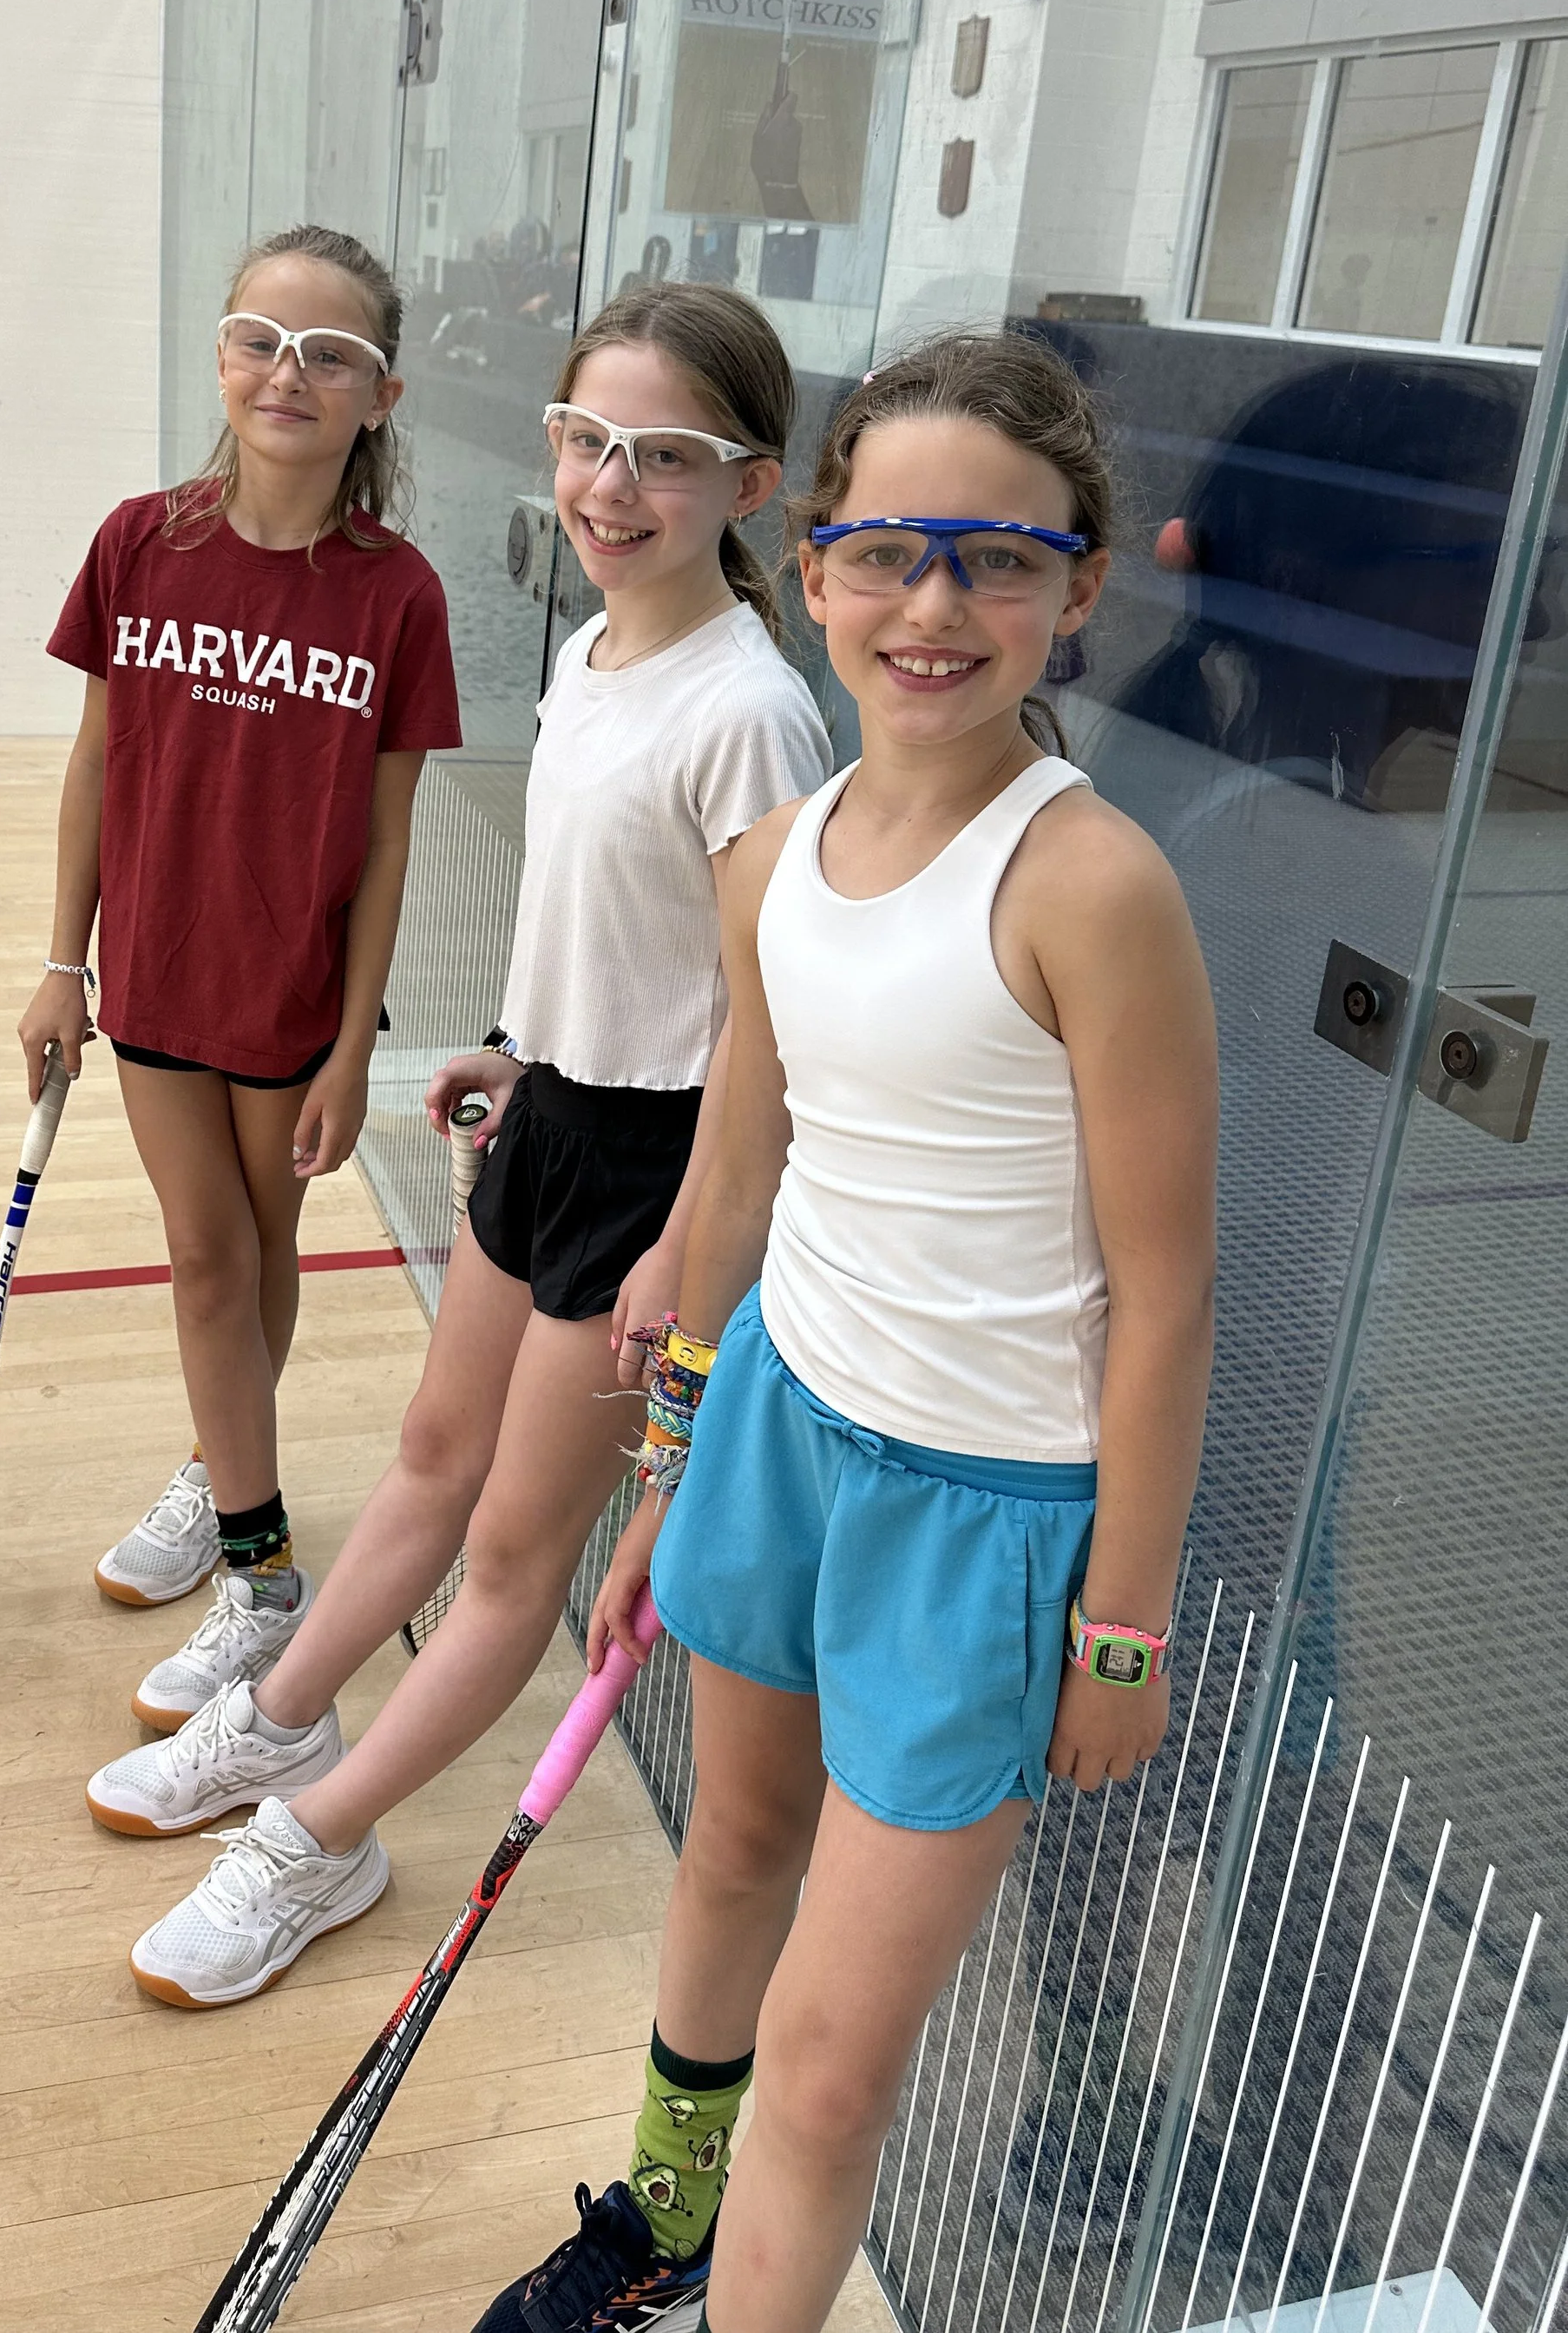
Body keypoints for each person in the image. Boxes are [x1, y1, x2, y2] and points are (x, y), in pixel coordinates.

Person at [477, 330, 1218, 2332]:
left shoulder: (1092, 884)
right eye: (887, 549)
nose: (932, 604)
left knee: (825, 2063)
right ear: (808, 571)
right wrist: (674, 1460)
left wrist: (1121, 1621)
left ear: (1075, 592)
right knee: (725, 1856)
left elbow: (1164, 1294)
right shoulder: (779, 862)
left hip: (981, 1527)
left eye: (995, 558)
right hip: (777, 1437)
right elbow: (731, 1184)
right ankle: (660, 2221)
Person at [95, 282, 835, 2012]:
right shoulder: (588, 651)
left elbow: (762, 1019)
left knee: (514, 1550)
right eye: (587, 440)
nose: (608, 484)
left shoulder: (750, 712)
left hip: (662, 1176)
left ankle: (322, 1838)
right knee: (432, 1450)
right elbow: (606, 921)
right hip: (556, 1118)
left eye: (666, 455)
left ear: (751, 486)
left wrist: (682, 1257)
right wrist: (511, 1043)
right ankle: (280, 1720)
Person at [18, 225, 462, 1743]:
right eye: (263, 341)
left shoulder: (395, 595)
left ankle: (224, 1475)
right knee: (207, 1259)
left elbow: (393, 836)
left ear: (378, 395)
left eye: (329, 353)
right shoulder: (139, 541)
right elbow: (95, 762)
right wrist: (59, 960)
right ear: (221, 358)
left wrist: (354, 1050)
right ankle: (261, 1568)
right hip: (149, 970)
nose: (292, 372)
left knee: (259, 1263)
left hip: (290, 1000)